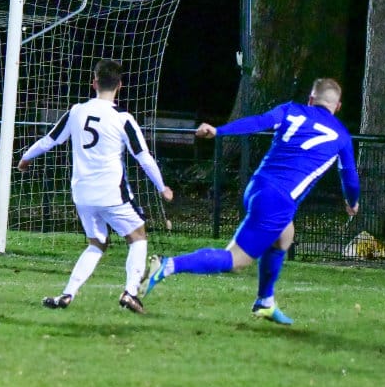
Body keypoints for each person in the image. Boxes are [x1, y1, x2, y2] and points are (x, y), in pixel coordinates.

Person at [144, 77, 360, 325]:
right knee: (236, 261)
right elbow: (349, 177)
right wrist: (352, 201)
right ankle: (167, 265)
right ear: (338, 107)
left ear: (311, 100)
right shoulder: (342, 136)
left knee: (285, 236)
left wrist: (219, 131)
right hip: (278, 200)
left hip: (258, 186)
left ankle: (265, 301)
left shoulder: (290, 109)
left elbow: (258, 122)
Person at [17, 58, 174, 314]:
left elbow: (49, 140)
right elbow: (143, 156)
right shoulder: (122, 118)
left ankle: (67, 294)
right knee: (138, 237)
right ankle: (130, 293)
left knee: (97, 243)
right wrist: (161, 186)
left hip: (82, 194)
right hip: (111, 192)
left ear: (94, 83)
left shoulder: (77, 111)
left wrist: (25, 157)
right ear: (120, 85)